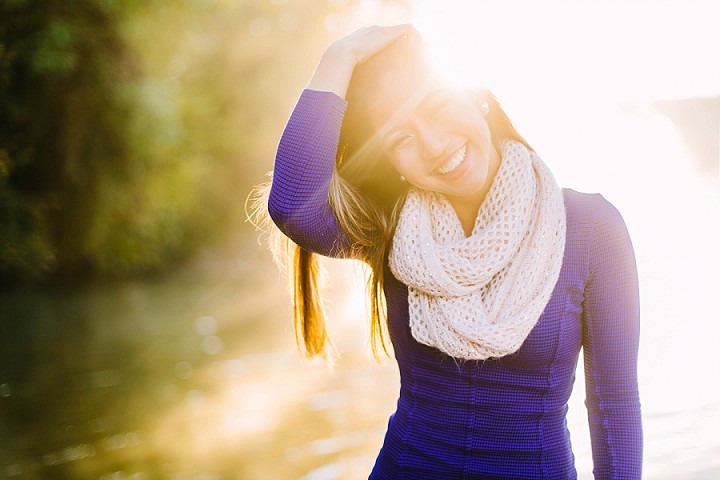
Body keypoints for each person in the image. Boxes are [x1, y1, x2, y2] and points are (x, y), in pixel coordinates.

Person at [253, 24, 642, 479]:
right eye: (402, 138)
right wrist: (341, 55)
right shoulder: (391, 229)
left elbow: (614, 402)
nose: (435, 146)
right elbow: (293, 205)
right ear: (392, 164)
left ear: (474, 95)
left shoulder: (592, 228)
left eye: (436, 109)